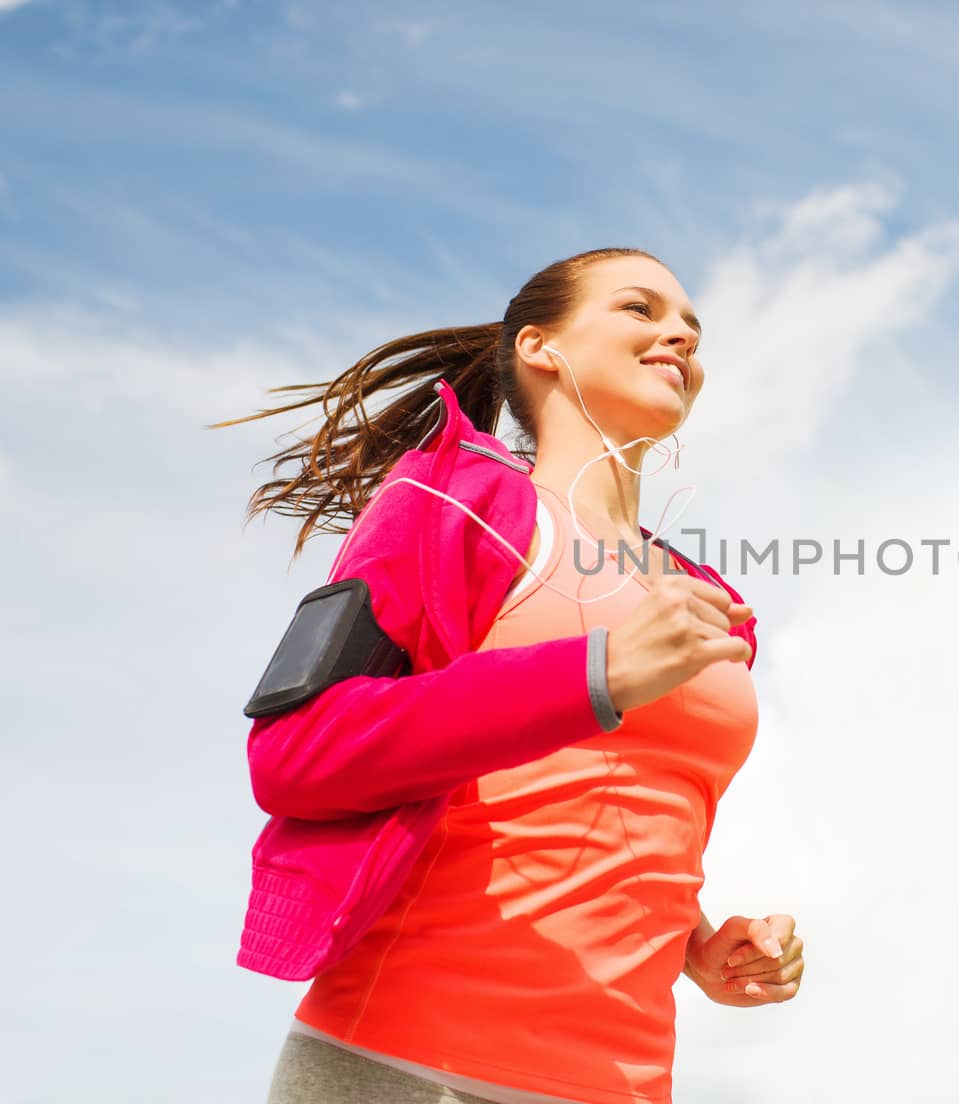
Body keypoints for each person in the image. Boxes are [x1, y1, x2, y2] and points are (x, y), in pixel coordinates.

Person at [219, 248, 804, 1104]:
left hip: (621, 1081)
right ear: (541, 346)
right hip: (406, 1064)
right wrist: (592, 674)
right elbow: (294, 754)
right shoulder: (452, 504)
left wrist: (701, 948)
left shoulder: (710, 598)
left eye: (691, 327)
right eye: (640, 310)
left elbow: (607, 804)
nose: (678, 332)